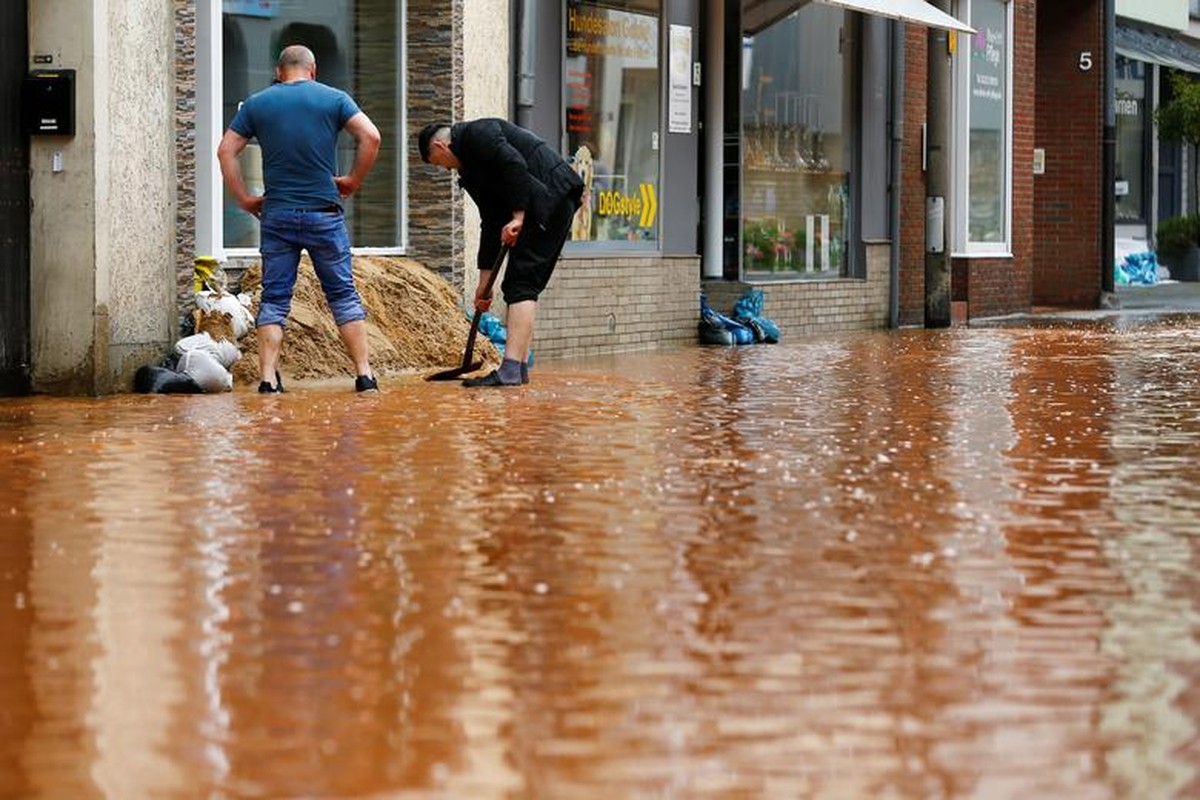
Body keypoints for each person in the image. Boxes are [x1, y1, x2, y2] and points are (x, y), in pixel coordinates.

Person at [217, 44, 382, 393]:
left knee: (275, 297)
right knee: (342, 293)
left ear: (279, 73)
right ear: (313, 70)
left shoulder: (258, 103)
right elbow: (371, 137)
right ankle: (365, 376)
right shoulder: (334, 99)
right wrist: (352, 181)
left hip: (277, 215)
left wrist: (245, 199)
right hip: (323, 213)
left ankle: (266, 380)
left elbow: (226, 150)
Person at [418, 119, 583, 387]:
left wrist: (518, 216)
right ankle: (517, 369)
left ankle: (510, 371)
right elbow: (491, 220)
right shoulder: (471, 172)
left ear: (440, 145)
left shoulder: (477, 134)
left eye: (437, 162)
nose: (443, 168)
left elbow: (514, 164)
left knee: (521, 284)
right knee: (521, 285)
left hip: (550, 196)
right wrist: (484, 284)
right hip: (544, 201)